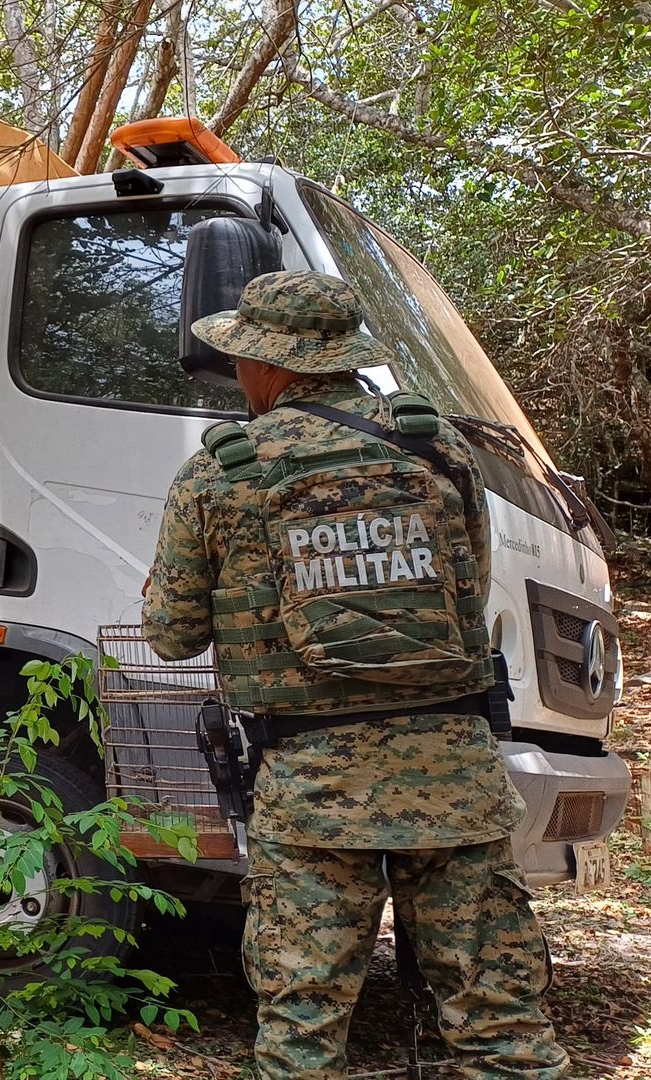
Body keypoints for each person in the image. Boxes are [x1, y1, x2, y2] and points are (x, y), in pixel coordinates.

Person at [142, 270, 566, 1079]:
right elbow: (466, 594)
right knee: (502, 1027)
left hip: (311, 796)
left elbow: (169, 634)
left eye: (242, 359)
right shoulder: (439, 447)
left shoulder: (222, 471)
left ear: (268, 366)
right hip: (456, 784)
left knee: (303, 1032)